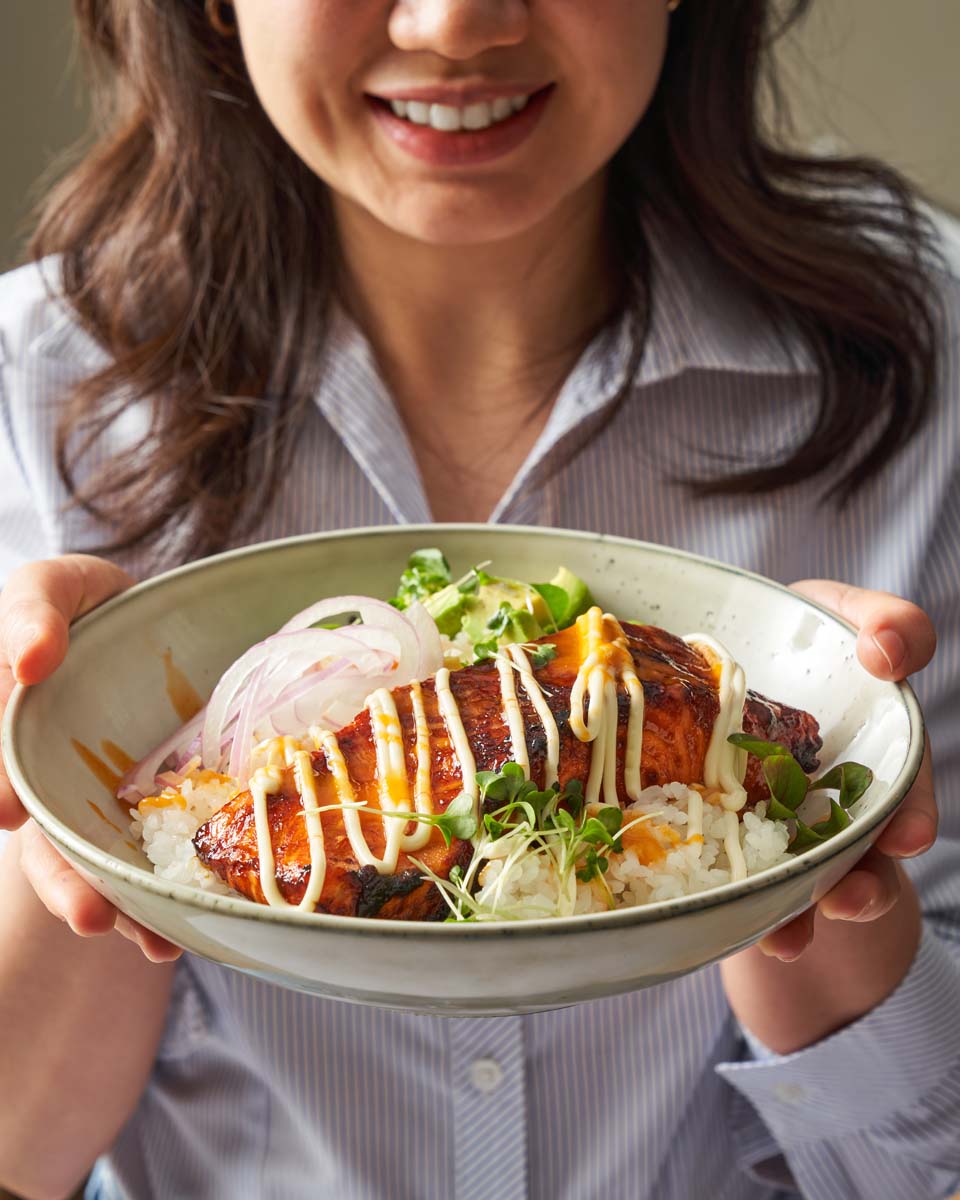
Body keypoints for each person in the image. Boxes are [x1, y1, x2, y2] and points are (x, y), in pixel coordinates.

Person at [0, 1, 957, 1197]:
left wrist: (809, 863)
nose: (453, 23)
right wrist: (60, 784)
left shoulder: (933, 359)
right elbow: (20, 1154)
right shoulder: (31, 381)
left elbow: (926, 1172)